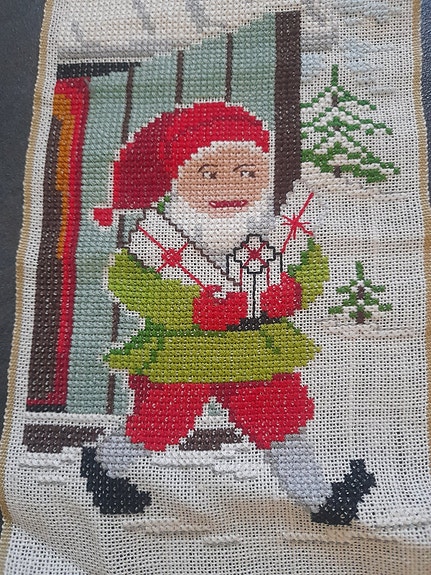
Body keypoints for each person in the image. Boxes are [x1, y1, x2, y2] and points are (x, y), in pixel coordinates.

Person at [82, 101, 375, 523]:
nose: (229, 187)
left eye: (247, 172)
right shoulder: (159, 236)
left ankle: (321, 500)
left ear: (264, 174)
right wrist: (193, 308)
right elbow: (126, 280)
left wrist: (293, 293)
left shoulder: (276, 231)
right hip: (183, 354)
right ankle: (103, 465)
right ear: (179, 177)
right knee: (162, 422)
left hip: (256, 349)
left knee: (281, 419)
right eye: (208, 173)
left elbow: (310, 264)